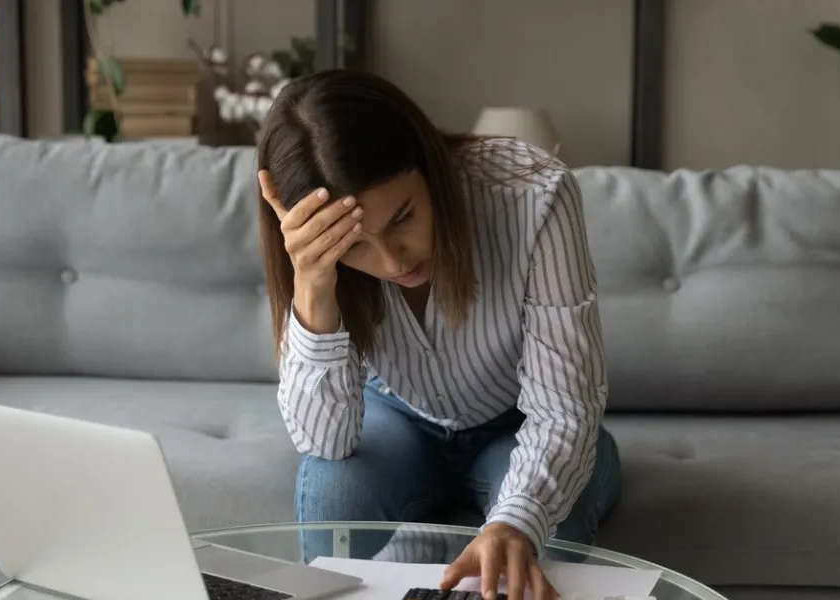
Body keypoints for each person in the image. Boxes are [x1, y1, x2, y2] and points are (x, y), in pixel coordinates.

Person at [255, 69, 621, 600]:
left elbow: (563, 409)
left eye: (402, 217)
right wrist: (313, 281)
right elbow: (324, 443)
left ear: (428, 164)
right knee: (333, 489)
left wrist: (515, 521)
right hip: (399, 416)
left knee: (545, 534)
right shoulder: (320, 261)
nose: (391, 261)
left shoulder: (535, 194)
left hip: (519, 422)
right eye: (353, 245)